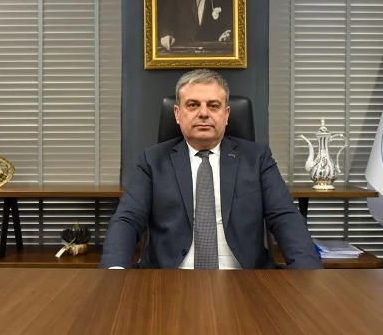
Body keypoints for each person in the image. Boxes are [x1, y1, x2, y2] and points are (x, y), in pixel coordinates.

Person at [99, 69, 322, 270]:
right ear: (177, 113)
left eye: (213, 105)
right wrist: (114, 272)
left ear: (226, 114)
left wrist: (309, 274)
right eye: (193, 105)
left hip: (245, 281)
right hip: (167, 281)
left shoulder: (257, 159)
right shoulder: (152, 161)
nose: (203, 113)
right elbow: (127, 219)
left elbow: (285, 216)